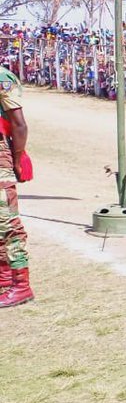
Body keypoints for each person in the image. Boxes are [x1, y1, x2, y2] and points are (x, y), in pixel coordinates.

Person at [0, 67, 33, 307]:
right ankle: (3, 278)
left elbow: (19, 124)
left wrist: (18, 157)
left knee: (6, 220)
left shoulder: (2, 77)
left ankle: (21, 285)